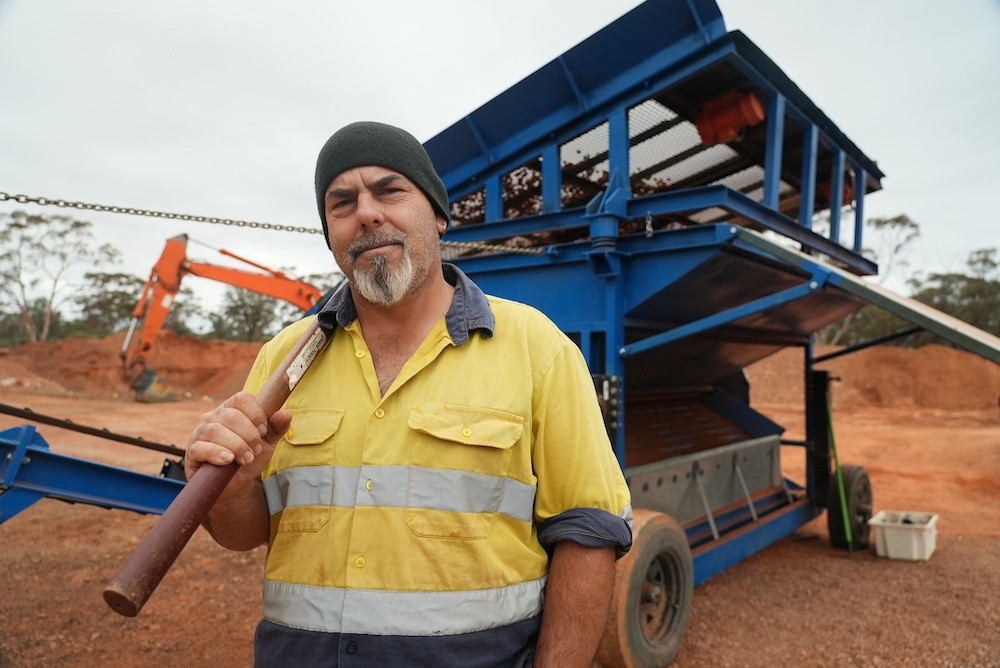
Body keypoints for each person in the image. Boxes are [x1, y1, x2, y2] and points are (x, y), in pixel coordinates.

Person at [184, 121, 633, 667]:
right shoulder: (283, 359)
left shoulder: (536, 349)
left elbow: (588, 532)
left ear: (438, 215)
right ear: (331, 235)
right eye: (342, 203)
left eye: (390, 190)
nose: (367, 213)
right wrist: (231, 492)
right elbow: (247, 532)